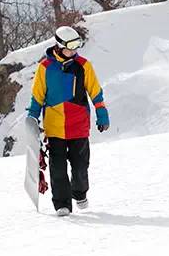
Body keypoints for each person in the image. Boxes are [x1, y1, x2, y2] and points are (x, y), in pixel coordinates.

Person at [27, 26, 110, 216]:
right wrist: (32, 116)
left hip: (79, 126)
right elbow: (37, 96)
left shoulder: (83, 65)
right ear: (59, 45)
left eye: (77, 46)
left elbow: (95, 91)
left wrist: (102, 113)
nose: (74, 50)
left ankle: (79, 192)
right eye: (70, 46)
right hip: (55, 127)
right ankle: (62, 204)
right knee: (58, 169)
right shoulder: (45, 68)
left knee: (80, 166)